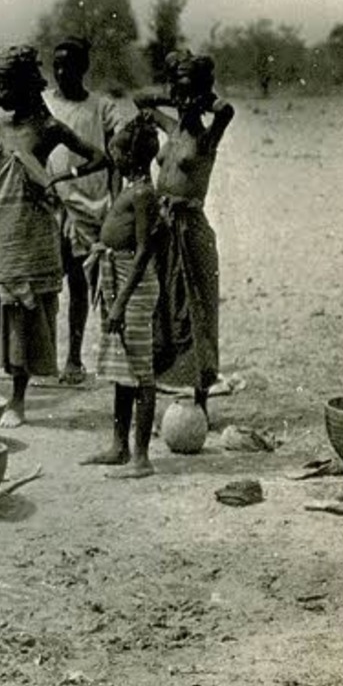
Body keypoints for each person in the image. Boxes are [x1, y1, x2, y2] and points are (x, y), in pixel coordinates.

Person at [0, 46, 109, 427]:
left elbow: (98, 157)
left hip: (30, 234)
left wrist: (60, 178)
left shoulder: (49, 128)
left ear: (26, 87)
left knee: (20, 318)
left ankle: (17, 400)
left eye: (5, 85)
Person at [139, 50, 235, 417]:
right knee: (160, 307)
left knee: (196, 310)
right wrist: (177, 93)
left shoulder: (207, 137)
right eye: (177, 92)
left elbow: (226, 110)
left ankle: (201, 402)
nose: (181, 100)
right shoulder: (171, 127)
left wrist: (201, 97)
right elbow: (141, 100)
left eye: (188, 92)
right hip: (161, 228)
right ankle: (162, 387)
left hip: (190, 229)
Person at [80, 117, 164, 478]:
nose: (112, 158)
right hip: (117, 279)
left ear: (131, 156)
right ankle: (119, 446)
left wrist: (119, 303)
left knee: (140, 371)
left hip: (134, 285)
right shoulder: (131, 187)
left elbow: (144, 249)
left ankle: (141, 458)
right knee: (122, 368)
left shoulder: (144, 193)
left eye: (117, 152)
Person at [45, 37, 114, 386]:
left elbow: (113, 155)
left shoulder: (100, 108)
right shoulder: (43, 105)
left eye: (68, 66)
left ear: (83, 68)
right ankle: (42, 358)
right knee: (43, 283)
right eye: (56, 65)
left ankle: (73, 357)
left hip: (87, 206)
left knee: (78, 283)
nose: (60, 72)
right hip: (47, 204)